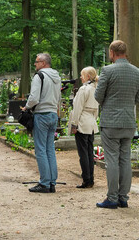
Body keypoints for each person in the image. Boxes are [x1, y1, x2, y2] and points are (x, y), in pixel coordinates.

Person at [94, 40, 139, 210]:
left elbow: (98, 96)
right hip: (128, 122)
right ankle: (123, 197)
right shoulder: (137, 72)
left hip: (110, 122)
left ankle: (112, 197)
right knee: (125, 159)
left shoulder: (107, 70)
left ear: (112, 52)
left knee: (112, 161)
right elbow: (138, 99)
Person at [23, 52, 61, 193]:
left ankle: (44, 182)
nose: (35, 64)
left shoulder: (39, 76)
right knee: (50, 149)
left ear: (44, 63)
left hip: (42, 114)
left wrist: (26, 107)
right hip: (52, 114)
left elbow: (34, 98)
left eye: (37, 61)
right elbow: (58, 97)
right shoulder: (57, 77)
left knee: (40, 149)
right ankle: (52, 182)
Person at [70, 66, 99, 189]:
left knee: (83, 153)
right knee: (89, 152)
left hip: (82, 122)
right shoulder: (96, 89)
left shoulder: (83, 89)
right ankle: (90, 178)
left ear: (88, 76)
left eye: (82, 75)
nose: (80, 77)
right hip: (91, 122)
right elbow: (97, 109)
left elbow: (77, 109)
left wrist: (74, 124)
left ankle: (86, 179)